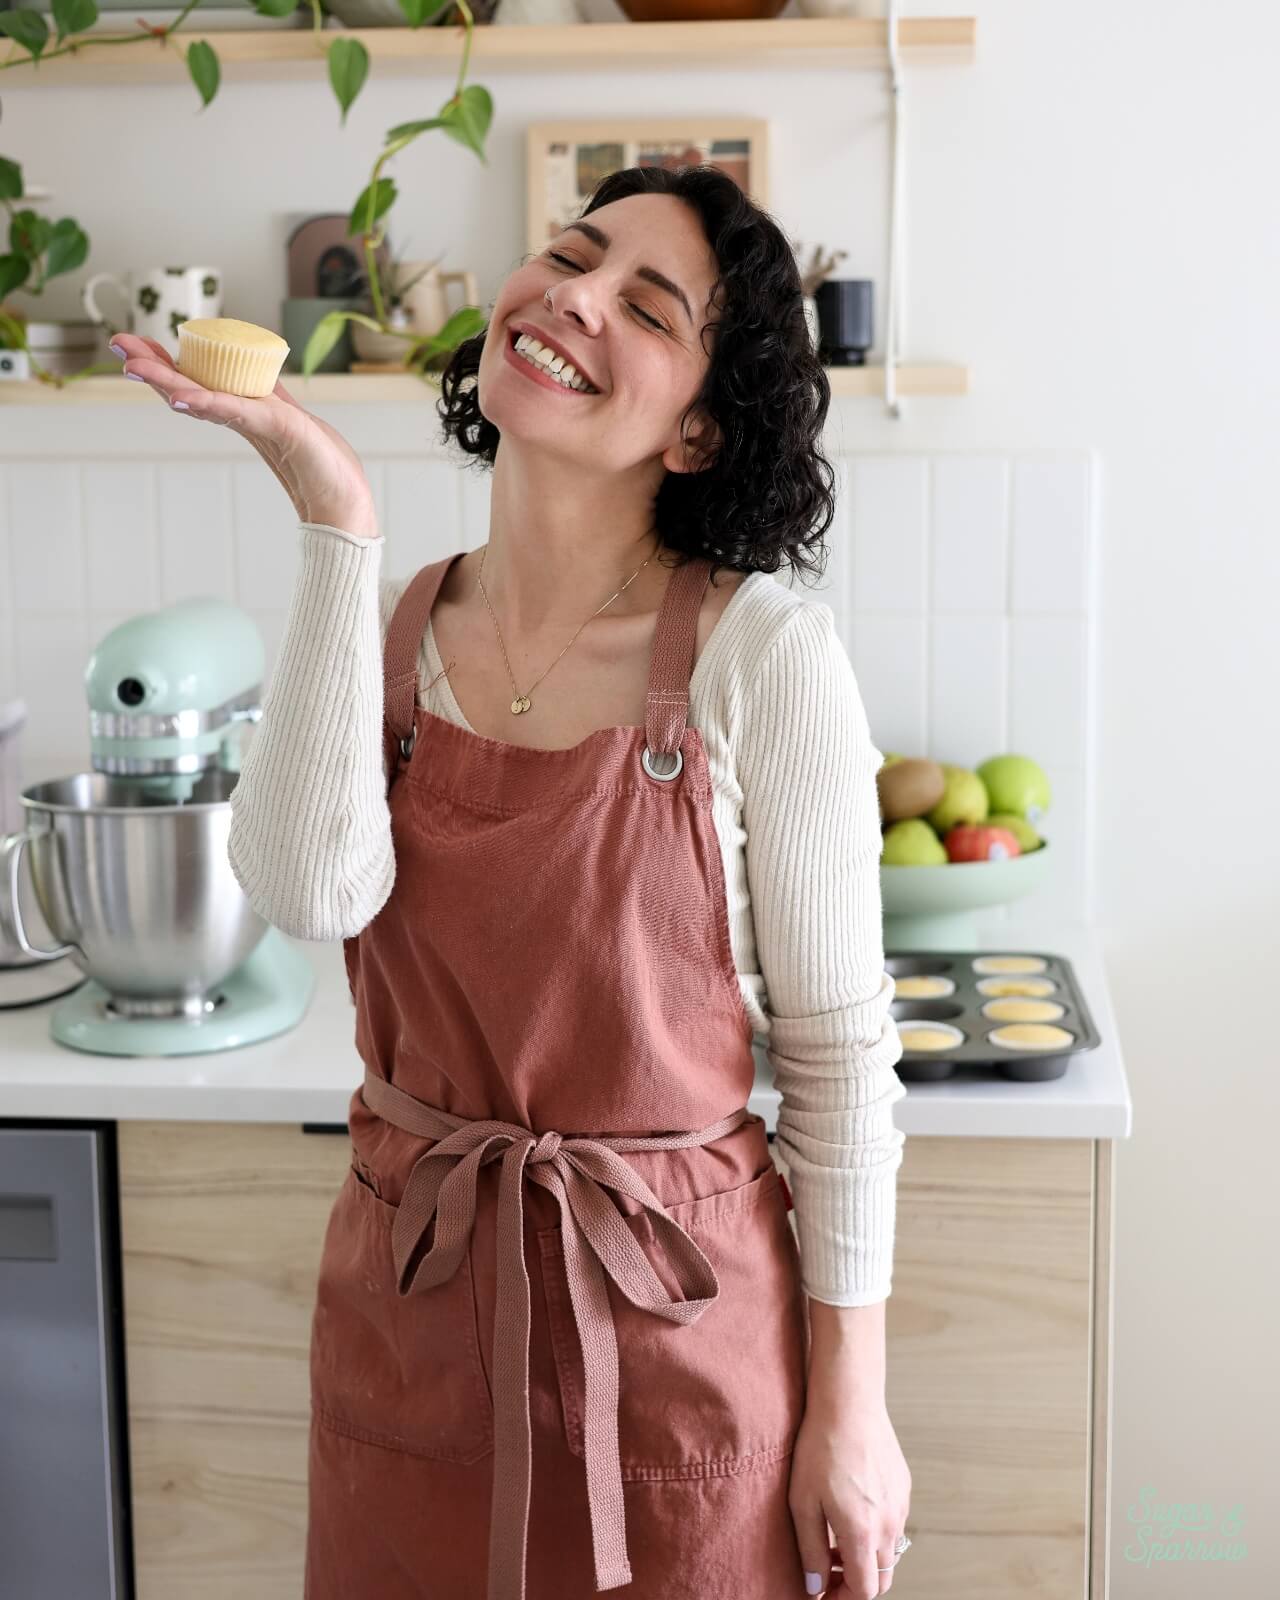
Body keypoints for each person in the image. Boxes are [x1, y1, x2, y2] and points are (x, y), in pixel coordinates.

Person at [111, 162, 912, 1600]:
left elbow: (840, 1061)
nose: (575, 298)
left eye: (647, 308)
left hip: (674, 1343)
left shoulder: (763, 656)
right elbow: (305, 893)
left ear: (700, 428)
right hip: (411, 1320)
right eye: (569, 254)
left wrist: (853, 1412)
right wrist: (334, 520)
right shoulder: (392, 626)